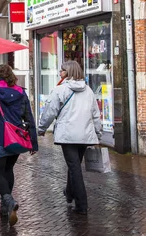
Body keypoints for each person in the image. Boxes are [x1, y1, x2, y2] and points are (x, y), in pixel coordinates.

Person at [0, 64, 38, 226]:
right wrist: (33, 143)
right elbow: (29, 118)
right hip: (15, 139)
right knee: (8, 170)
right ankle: (5, 207)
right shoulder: (20, 92)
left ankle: (9, 201)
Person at [38, 60, 102, 215]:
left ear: (68, 73)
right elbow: (95, 114)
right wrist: (98, 133)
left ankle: (82, 205)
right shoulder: (88, 91)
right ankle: (70, 192)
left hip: (68, 136)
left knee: (74, 168)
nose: (60, 73)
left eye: (62, 70)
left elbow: (50, 111)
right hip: (85, 135)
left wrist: (41, 128)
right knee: (74, 166)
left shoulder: (60, 90)